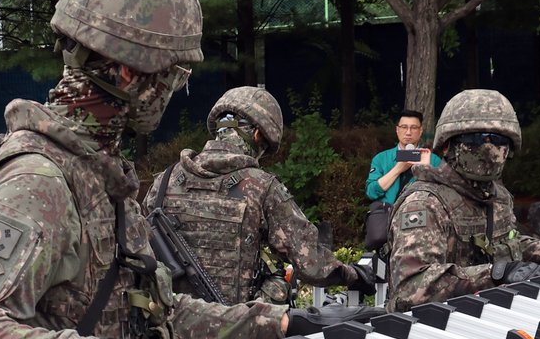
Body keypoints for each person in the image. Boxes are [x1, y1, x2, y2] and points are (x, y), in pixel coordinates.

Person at [0, 0, 378, 339]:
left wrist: (280, 323)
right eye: (174, 75)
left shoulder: (101, 173)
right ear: (131, 74)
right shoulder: (39, 179)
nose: (172, 90)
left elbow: (158, 317)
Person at [150, 87, 376, 304]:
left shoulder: (164, 181)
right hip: (236, 329)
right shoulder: (260, 187)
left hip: (168, 330)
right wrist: (354, 275)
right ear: (257, 134)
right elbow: (311, 263)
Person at [386, 90, 540, 312]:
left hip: (490, 321)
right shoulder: (425, 204)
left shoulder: (497, 197)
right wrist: (497, 274)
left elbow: (508, 242)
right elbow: (411, 287)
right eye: (476, 140)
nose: (490, 150)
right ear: (447, 146)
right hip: (430, 332)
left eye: (499, 140)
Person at [366, 109, 439, 206]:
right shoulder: (381, 158)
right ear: (397, 130)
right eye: (404, 127)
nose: (408, 132)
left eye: (414, 128)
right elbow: (371, 193)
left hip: (420, 213)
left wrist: (425, 170)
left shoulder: (433, 159)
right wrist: (398, 169)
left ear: (421, 131)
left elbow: (442, 193)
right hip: (387, 213)